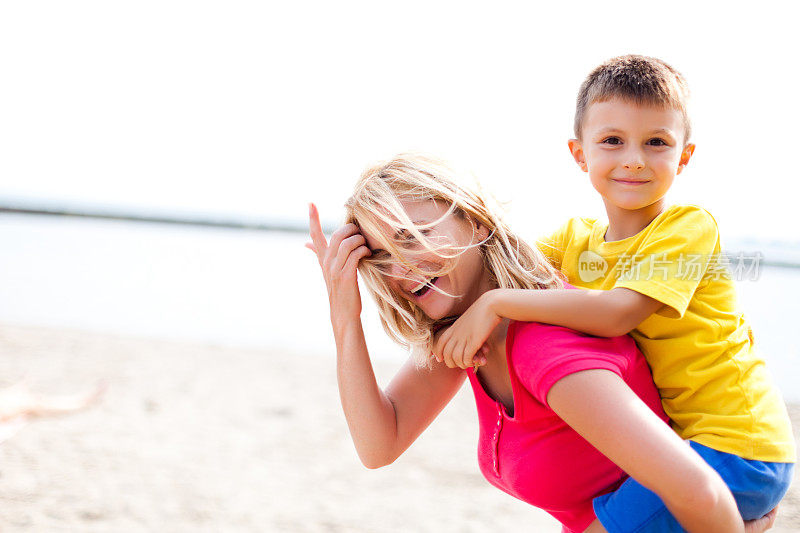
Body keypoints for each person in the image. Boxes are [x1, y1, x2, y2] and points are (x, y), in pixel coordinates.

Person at [307, 153, 778, 532]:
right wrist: (345, 318)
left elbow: (701, 493)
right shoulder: (466, 333)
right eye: (383, 255)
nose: (401, 271)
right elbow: (379, 445)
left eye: (416, 237)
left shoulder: (543, 347)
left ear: (476, 223)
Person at [433, 55, 795, 531]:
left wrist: (495, 305)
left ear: (683, 156)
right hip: (680, 446)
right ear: (579, 153)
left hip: (736, 445)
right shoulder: (575, 240)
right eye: (612, 141)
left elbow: (617, 313)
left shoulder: (686, 228)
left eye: (656, 143)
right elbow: (499, 266)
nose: (634, 159)